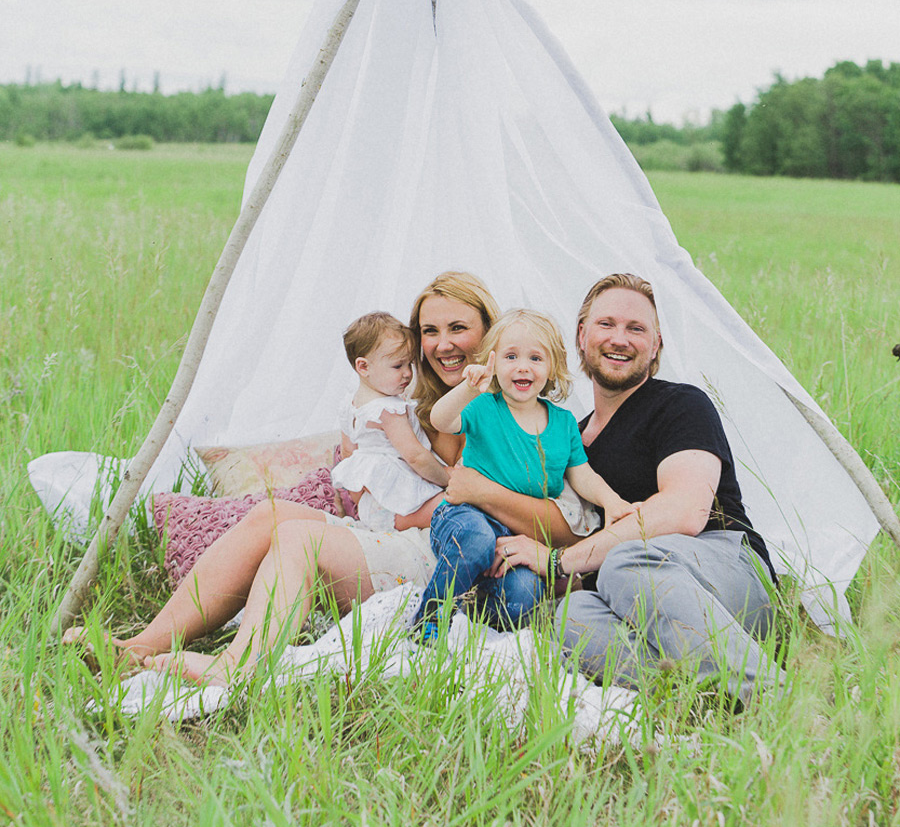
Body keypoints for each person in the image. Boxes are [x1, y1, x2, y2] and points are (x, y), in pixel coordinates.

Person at [64, 272, 581, 683]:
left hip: (451, 558)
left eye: (458, 329)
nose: (442, 344)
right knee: (270, 514)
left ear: (489, 335)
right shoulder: (423, 404)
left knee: (299, 538)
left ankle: (237, 669)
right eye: (430, 331)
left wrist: (467, 495)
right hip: (409, 531)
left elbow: (563, 520)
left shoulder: (524, 408)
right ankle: (141, 647)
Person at [499, 274, 784, 706]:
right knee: (569, 618)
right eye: (606, 324)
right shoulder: (570, 443)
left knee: (626, 562)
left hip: (729, 574)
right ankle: (706, 701)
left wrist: (562, 562)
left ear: (655, 346)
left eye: (637, 329)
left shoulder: (680, 404)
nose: (620, 338)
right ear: (581, 335)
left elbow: (684, 511)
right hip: (646, 608)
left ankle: (772, 700)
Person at [414, 309, 634, 639]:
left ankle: (473, 605)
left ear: (553, 367)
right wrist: (468, 388)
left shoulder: (563, 424)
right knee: (476, 541)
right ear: (493, 363)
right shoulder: (485, 406)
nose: (522, 366)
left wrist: (613, 502)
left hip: (518, 536)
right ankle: (429, 622)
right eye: (511, 356)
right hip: (465, 517)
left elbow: (582, 475)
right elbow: (441, 420)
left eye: (535, 358)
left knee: (524, 595)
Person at [330, 311, 443, 531]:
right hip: (400, 506)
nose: (408, 374)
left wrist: (360, 499)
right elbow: (416, 456)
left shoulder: (350, 405)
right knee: (451, 507)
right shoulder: (388, 409)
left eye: (409, 364)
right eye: (398, 366)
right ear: (363, 367)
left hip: (371, 506)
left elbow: (348, 453)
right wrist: (445, 479)